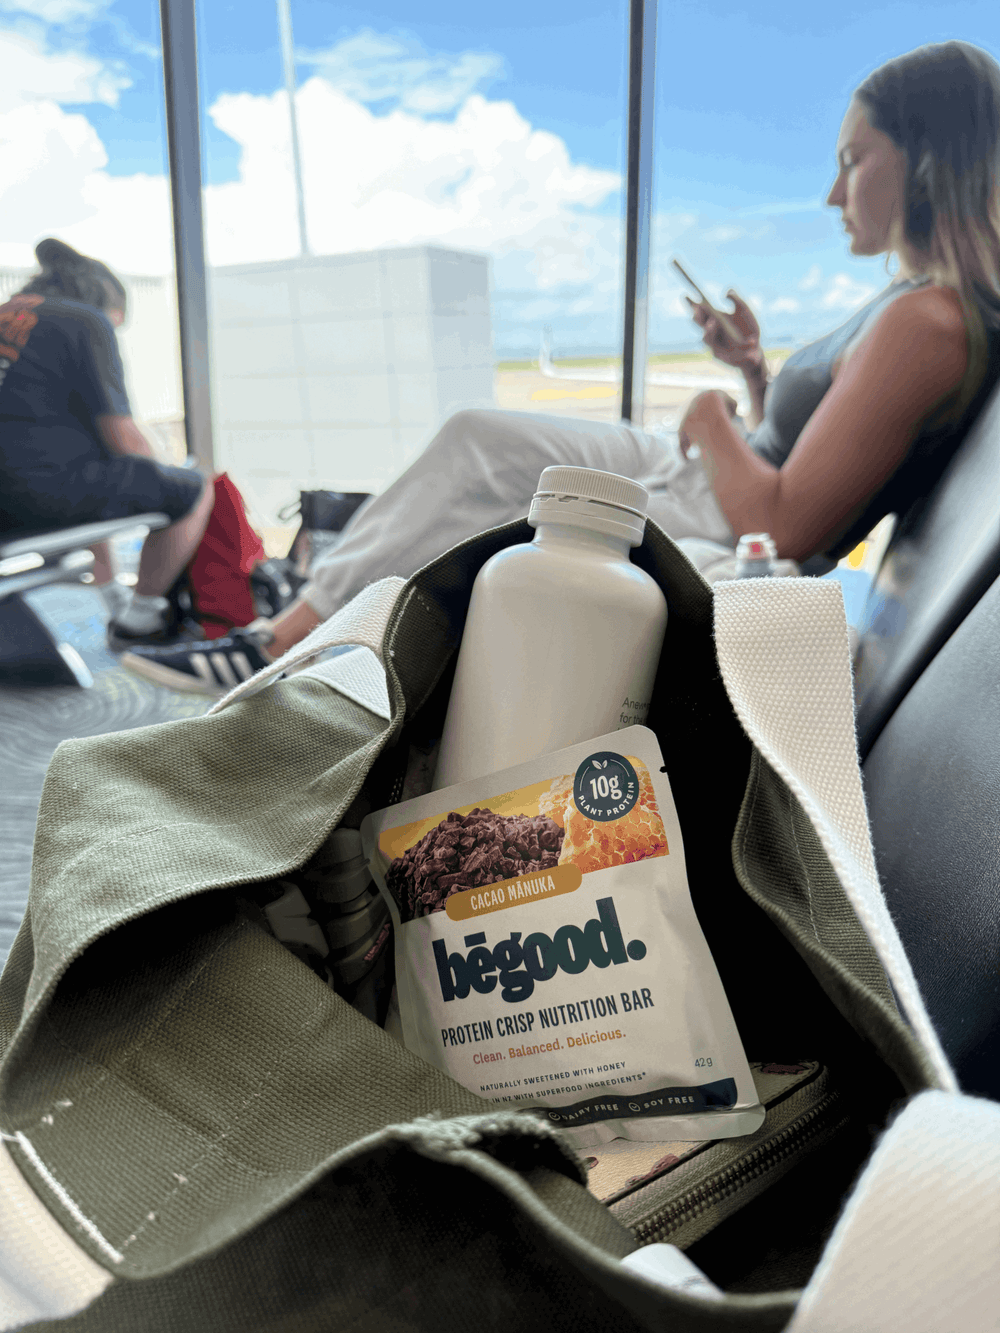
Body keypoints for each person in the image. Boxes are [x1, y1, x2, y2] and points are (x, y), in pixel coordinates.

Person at [121, 39, 1000, 696]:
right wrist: (749, 373)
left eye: (852, 160)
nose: (834, 192)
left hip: (713, 502)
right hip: (705, 477)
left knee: (478, 453)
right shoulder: (915, 301)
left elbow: (787, 524)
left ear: (927, 160)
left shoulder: (928, 323)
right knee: (476, 444)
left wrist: (706, 416)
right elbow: (809, 453)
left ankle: (282, 642)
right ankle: (305, 629)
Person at [0, 238, 215, 648]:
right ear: (105, 303)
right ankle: (142, 620)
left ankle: (112, 596)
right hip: (31, 500)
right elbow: (123, 438)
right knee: (194, 487)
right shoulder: (85, 320)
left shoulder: (9, 315)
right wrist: (162, 470)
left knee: (89, 471)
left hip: (13, 504)